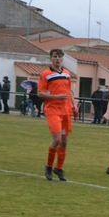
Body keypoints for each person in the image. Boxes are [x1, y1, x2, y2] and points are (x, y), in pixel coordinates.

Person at [38, 48, 79, 181]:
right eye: (55, 56)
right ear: (51, 58)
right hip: (52, 110)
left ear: (62, 59)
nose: (57, 59)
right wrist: (55, 97)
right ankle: (49, 166)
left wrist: (73, 105)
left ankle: (59, 168)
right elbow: (40, 93)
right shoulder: (45, 74)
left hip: (66, 110)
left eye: (60, 57)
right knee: (57, 139)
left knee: (64, 141)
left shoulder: (67, 73)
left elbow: (68, 91)